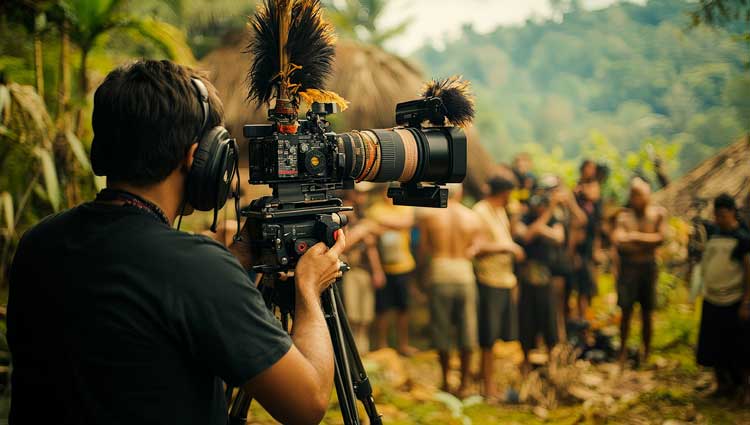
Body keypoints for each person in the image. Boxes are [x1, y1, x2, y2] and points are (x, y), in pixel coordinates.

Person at [6, 60, 346, 425]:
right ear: (199, 157)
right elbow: (307, 404)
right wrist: (308, 289)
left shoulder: (39, 242)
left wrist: (237, 259)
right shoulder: (198, 270)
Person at [418, 184, 481, 396]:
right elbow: (474, 249)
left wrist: (422, 276)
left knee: (441, 327)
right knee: (467, 328)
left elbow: (424, 249)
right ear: (461, 193)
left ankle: (446, 381)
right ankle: (464, 384)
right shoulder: (471, 216)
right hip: (464, 273)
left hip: (440, 271)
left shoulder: (430, 216)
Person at [472, 176, 525, 400]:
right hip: (489, 280)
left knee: (498, 337)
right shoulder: (480, 212)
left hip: (505, 280)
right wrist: (507, 247)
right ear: (503, 192)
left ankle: (490, 382)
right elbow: (477, 247)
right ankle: (488, 387)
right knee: (488, 337)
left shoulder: (501, 211)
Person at [694, 194, 750, 403]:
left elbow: (748, 270)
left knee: (741, 347)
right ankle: (722, 385)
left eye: (724, 216)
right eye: (717, 216)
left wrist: (746, 301)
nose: (720, 220)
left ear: (733, 213)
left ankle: (745, 389)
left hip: (734, 298)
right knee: (714, 344)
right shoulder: (715, 234)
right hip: (713, 297)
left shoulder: (743, 238)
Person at [612, 177, 667, 367]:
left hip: (648, 269)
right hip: (629, 271)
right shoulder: (624, 217)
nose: (637, 199)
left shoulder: (658, 214)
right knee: (626, 312)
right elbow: (619, 240)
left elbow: (660, 238)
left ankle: (646, 352)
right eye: (634, 195)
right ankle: (622, 352)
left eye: (641, 195)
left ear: (648, 195)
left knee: (647, 312)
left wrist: (634, 237)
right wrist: (645, 243)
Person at [515, 192, 565, 372]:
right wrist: (546, 217)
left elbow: (558, 238)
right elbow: (526, 235)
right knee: (526, 321)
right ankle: (526, 361)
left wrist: (540, 228)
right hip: (527, 279)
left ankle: (552, 362)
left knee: (549, 320)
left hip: (546, 279)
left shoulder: (554, 220)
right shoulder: (525, 218)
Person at [367, 187, 418, 356]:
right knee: (382, 309)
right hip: (383, 268)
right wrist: (393, 224)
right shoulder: (375, 209)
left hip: (404, 266)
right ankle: (383, 346)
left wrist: (383, 224)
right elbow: (372, 231)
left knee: (403, 308)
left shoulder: (405, 206)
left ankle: (403, 344)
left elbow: (408, 222)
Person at [341, 188, 386, 354]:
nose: (363, 196)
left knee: (365, 315)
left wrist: (377, 270)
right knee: (352, 314)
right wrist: (362, 231)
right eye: (359, 193)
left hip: (365, 270)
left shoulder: (363, 215)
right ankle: (353, 351)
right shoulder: (343, 212)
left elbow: (372, 241)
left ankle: (363, 350)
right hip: (350, 270)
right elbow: (344, 244)